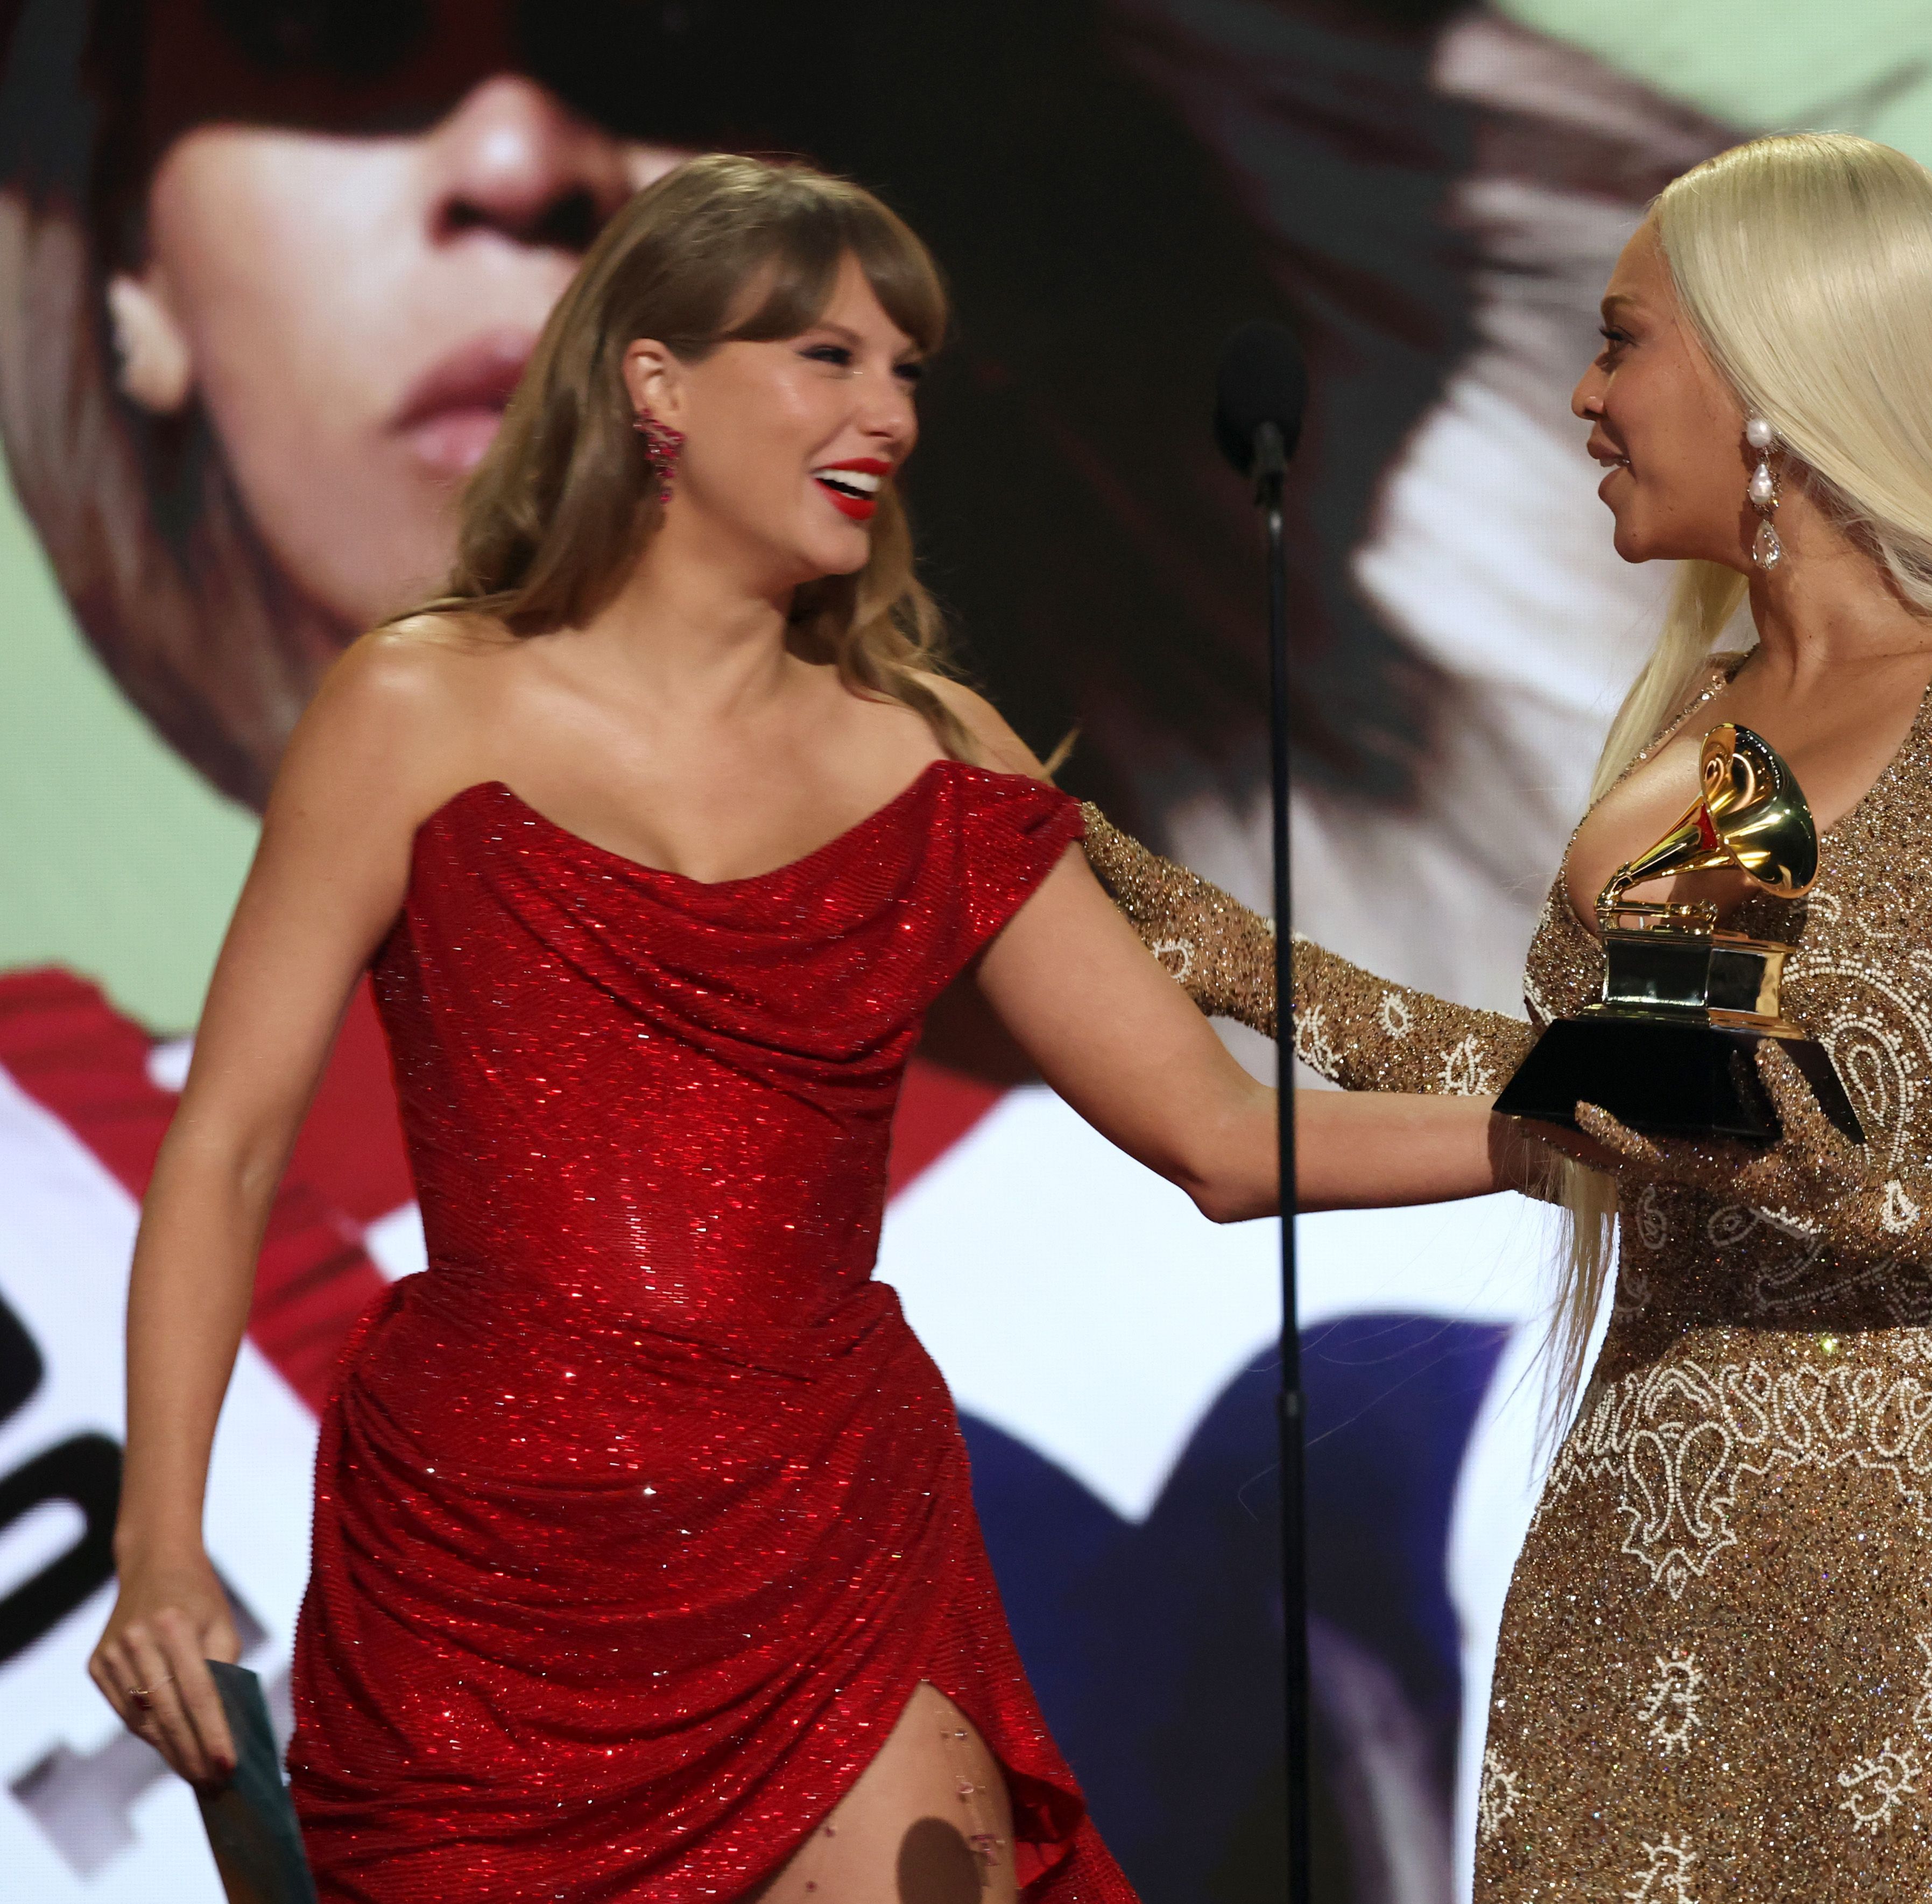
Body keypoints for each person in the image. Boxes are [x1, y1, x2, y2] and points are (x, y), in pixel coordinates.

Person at [82, 154, 1520, 1903]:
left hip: (828, 1550)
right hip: (475, 1589)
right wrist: (159, 1548)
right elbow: (224, 1149)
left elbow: (1221, 1138)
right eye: (829, 357)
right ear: (656, 383)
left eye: (907, 368)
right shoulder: (414, 703)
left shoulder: (926, 750)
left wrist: (1573, 1126)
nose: (891, 411)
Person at [1083, 132, 1932, 1898]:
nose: (1582, 396)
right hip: (1641, 1534)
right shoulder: (1686, 745)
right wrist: (1191, 934)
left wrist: (1892, 1206)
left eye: (1619, 340)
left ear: (1772, 367)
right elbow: (1583, 1100)